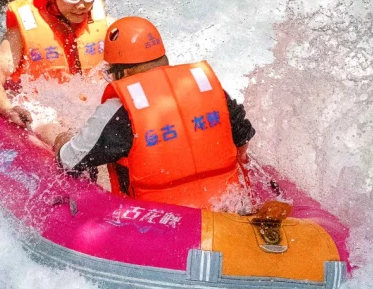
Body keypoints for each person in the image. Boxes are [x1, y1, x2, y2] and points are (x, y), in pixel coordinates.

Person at [36, 16, 257, 210]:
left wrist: (60, 136)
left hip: (160, 221)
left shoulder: (119, 111)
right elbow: (243, 139)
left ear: (125, 72)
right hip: (230, 209)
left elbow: (70, 161)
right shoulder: (210, 89)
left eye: (111, 72)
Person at [0, 0, 107, 128]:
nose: (82, 4)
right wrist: (8, 109)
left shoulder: (102, 19)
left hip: (89, 105)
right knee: (51, 125)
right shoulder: (23, 28)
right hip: (43, 109)